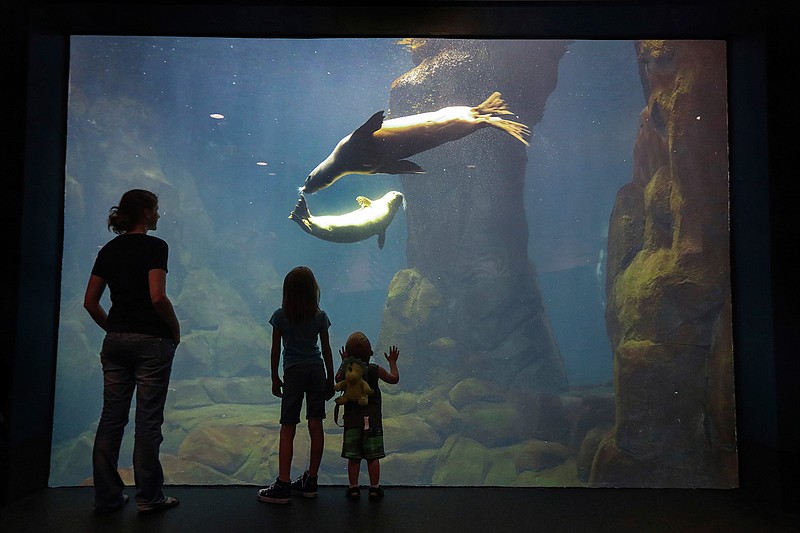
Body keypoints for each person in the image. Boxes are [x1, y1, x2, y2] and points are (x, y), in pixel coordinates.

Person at [83, 189, 181, 515]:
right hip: (152, 341)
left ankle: (107, 498)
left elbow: (90, 302)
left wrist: (114, 327)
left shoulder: (109, 250)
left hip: (115, 342)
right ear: (145, 213)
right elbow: (157, 296)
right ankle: (149, 497)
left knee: (111, 420)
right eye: (155, 209)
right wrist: (174, 328)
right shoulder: (156, 246)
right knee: (148, 422)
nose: (158, 215)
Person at [258, 266, 335, 504]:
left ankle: (283, 483)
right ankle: (311, 480)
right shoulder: (319, 316)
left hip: (293, 371)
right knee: (316, 424)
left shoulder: (280, 316)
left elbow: (275, 349)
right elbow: (326, 350)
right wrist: (330, 379)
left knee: (288, 426)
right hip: (315, 370)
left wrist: (274, 376)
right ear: (313, 291)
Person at [336, 331, 399, 501]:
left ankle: (353, 488)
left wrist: (344, 362)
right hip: (372, 420)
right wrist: (392, 362)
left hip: (352, 421)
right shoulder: (374, 370)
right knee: (373, 457)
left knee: (353, 457)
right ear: (370, 353)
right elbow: (394, 379)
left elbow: (337, 379)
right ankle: (374, 488)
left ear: (348, 354)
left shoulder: (347, 373)